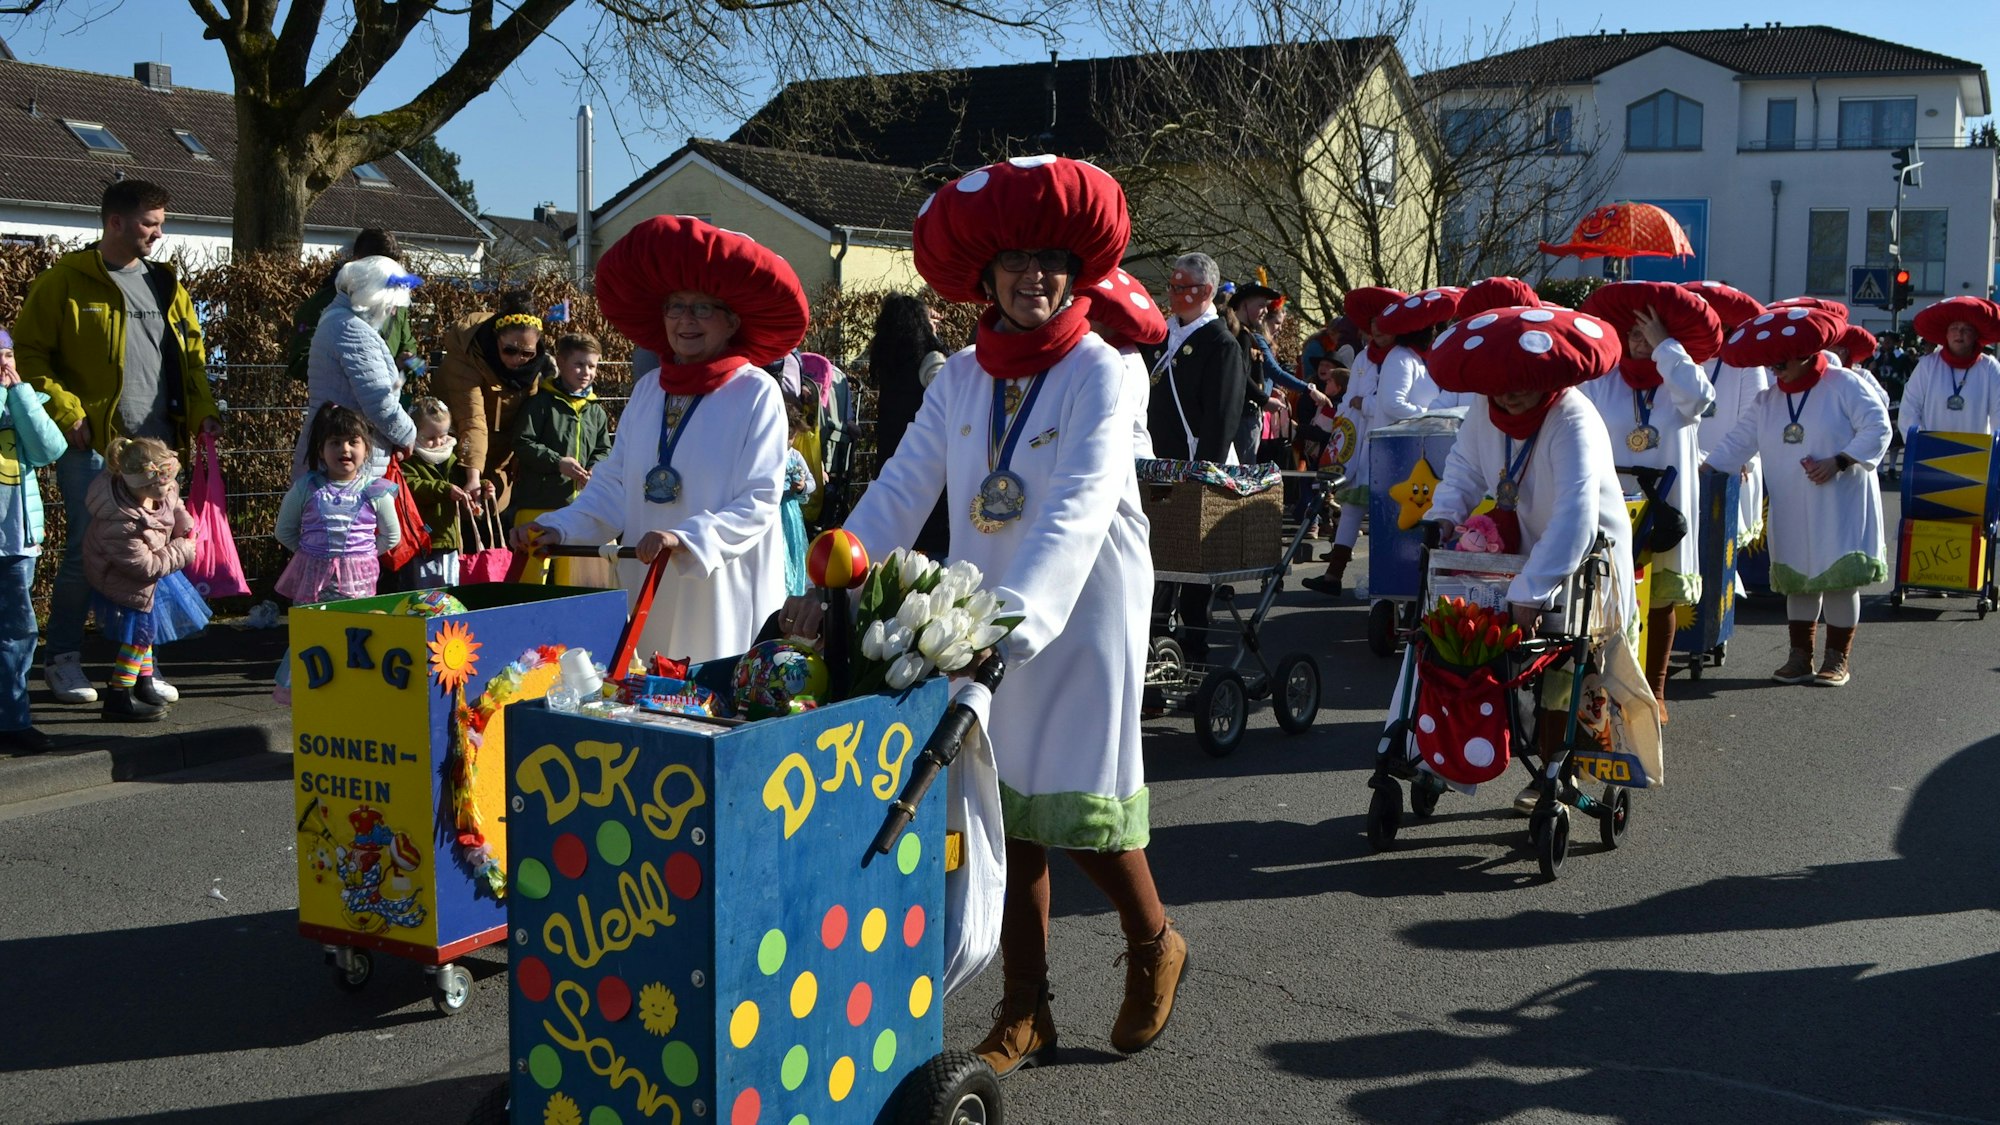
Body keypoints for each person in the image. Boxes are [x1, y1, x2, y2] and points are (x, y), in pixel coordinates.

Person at [785, 156, 1184, 1074]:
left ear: (1076, 268)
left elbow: (1081, 504)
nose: (1033, 276)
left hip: (1081, 598)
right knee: (998, 800)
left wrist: (1019, 616)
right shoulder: (961, 374)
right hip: (981, 596)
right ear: (985, 275)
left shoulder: (1104, 367)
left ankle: (1154, 939)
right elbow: (899, 487)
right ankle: (1025, 1005)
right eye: (1014, 260)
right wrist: (830, 578)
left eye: (1050, 258)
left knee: (1079, 799)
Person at [511, 216, 800, 665]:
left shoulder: (756, 391)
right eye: (675, 307)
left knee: (714, 699)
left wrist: (685, 538)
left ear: (731, 321)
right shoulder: (649, 390)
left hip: (722, 588)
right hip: (650, 585)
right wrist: (560, 527)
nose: (686, 320)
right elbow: (614, 484)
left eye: (702, 308)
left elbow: (759, 501)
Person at [1423, 304, 1642, 813]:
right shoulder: (1483, 411)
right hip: (1523, 551)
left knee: (1568, 668)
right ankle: (1448, 755)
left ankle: (1558, 767)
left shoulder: (1573, 417)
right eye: (1498, 385)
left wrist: (1531, 589)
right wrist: (1444, 517)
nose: (1509, 393)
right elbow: (1461, 472)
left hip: (1587, 561)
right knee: (1491, 656)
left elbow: (1576, 517)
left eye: (1521, 383)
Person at [16, 179, 221, 707]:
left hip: (158, 454)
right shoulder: (64, 281)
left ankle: (137, 672)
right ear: (115, 222)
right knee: (89, 554)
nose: (159, 234)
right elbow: (30, 355)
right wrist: (66, 410)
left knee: (152, 556)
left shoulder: (166, 285)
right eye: (150, 224)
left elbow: (192, 358)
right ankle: (62, 659)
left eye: (160, 223)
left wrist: (203, 413)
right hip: (94, 450)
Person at [1704, 307, 1890, 686]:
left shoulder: (1844, 384)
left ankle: (1837, 658)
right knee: (1797, 577)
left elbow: (1878, 427)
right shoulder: (1767, 400)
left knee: (1839, 579)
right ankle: (1799, 656)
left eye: (1781, 361)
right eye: (1770, 364)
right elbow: (1736, 443)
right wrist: (1702, 474)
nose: (1775, 369)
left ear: (1806, 353)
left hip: (1839, 500)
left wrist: (1839, 461)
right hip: (1791, 503)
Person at [1577, 282, 1721, 721]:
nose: (1639, 341)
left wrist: (1665, 347)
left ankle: (1654, 689)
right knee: (1606, 597)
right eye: (1633, 332)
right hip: (1613, 504)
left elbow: (1701, 399)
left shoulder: (1681, 377)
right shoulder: (1602, 380)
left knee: (1659, 598)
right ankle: (1604, 690)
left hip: (1666, 507)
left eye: (1649, 332)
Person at [272, 404, 403, 703]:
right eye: (334, 442)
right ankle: (312, 696)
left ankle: (351, 696)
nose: (344, 449)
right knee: (314, 637)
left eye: (352, 441)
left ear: (366, 449)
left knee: (356, 636)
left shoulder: (375, 490)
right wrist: (310, 554)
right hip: (313, 584)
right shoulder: (307, 487)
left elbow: (391, 535)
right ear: (321, 450)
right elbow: (285, 531)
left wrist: (363, 555)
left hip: (358, 586)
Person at [82, 436, 210, 722]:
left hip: (153, 565)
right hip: (124, 578)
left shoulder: (159, 487)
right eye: (159, 488)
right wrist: (181, 549)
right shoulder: (120, 521)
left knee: (147, 631)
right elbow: (144, 566)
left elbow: (173, 502)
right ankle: (119, 694)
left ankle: (144, 682)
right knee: (139, 636)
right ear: (139, 485)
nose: (165, 492)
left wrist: (184, 523)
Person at [1304, 285, 1409, 596]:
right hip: (1359, 446)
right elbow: (1351, 398)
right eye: (1373, 324)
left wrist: (1368, 405)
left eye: (1383, 323)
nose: (1376, 330)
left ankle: (1388, 577)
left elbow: (1394, 403)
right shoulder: (1365, 357)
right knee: (1350, 507)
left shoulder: (1403, 359)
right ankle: (1333, 575)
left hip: (1389, 448)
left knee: (1387, 512)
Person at [292, 255, 420, 482]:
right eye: (390, 305)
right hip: (347, 466)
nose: (392, 313)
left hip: (334, 455)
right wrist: (408, 434)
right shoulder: (353, 331)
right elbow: (379, 401)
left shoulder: (335, 320)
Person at [0, 331, 68, 753]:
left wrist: (20, 394)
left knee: (18, 631)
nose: (3, 364)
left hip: (16, 542)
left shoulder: (22, 401)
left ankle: (12, 720)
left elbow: (49, 448)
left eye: (7, 354)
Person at [506, 332, 614, 586]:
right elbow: (523, 443)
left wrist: (594, 468)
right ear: (561, 363)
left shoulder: (596, 411)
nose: (586, 372)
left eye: (592, 366)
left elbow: (604, 449)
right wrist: (558, 462)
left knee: (575, 579)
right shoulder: (540, 404)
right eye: (579, 364)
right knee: (531, 578)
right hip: (538, 502)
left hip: (580, 507)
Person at [437, 291, 559, 510]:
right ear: (496, 339)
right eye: (509, 350)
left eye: (527, 353)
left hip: (500, 450)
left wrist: (520, 455)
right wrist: (473, 476)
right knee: (461, 506)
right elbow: (471, 419)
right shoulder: (467, 355)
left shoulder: (533, 365)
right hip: (457, 445)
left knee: (495, 508)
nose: (517, 360)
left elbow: (527, 414)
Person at [1684, 282, 1772, 562]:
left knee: (1718, 557)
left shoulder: (1744, 362)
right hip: (1685, 467)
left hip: (1728, 467)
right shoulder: (1678, 361)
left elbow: (1753, 417)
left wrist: (1729, 458)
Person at [284, 228, 421, 389]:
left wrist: (411, 365)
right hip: (339, 406)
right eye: (379, 268)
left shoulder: (397, 306)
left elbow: (416, 362)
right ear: (357, 262)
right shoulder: (323, 304)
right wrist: (360, 370)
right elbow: (298, 362)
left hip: (384, 403)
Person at [868, 293, 952, 557]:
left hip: (890, 456)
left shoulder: (888, 362)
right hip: (926, 460)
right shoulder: (930, 359)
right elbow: (948, 399)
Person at [1144, 252, 1244, 463]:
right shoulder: (1161, 335)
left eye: (1179, 288)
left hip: (1194, 462)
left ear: (1206, 291)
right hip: (1156, 459)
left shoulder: (1221, 344)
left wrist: (1203, 473)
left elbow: (1221, 419)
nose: (1171, 294)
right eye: (1170, 286)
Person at [1232, 283, 1329, 463]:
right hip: (1245, 413)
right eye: (1260, 305)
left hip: (1249, 411)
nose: (1263, 311)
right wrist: (1307, 389)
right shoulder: (1246, 338)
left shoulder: (1247, 336)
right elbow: (1244, 376)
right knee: (1244, 470)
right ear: (1245, 304)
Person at [397, 398, 473, 590]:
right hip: (424, 538)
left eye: (444, 435)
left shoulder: (451, 456)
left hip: (450, 537)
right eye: (430, 438)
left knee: (450, 586)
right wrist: (444, 490)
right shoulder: (409, 460)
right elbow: (412, 486)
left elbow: (461, 483)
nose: (439, 442)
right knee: (426, 589)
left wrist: (480, 486)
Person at [1901, 296, 2000, 442]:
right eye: (1954, 328)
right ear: (1946, 334)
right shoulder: (1928, 365)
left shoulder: (1989, 367)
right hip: (1930, 452)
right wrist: (1918, 445)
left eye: (1966, 329)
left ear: (1976, 335)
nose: (1959, 333)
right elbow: (1909, 409)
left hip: (1976, 454)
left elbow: (1998, 413)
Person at [779, 397, 817, 596]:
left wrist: (802, 487)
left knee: (793, 552)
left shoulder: (794, 456)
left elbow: (812, 483)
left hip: (790, 514)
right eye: (785, 436)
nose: (788, 442)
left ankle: (792, 591)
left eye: (791, 437)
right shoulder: (766, 455)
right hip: (772, 513)